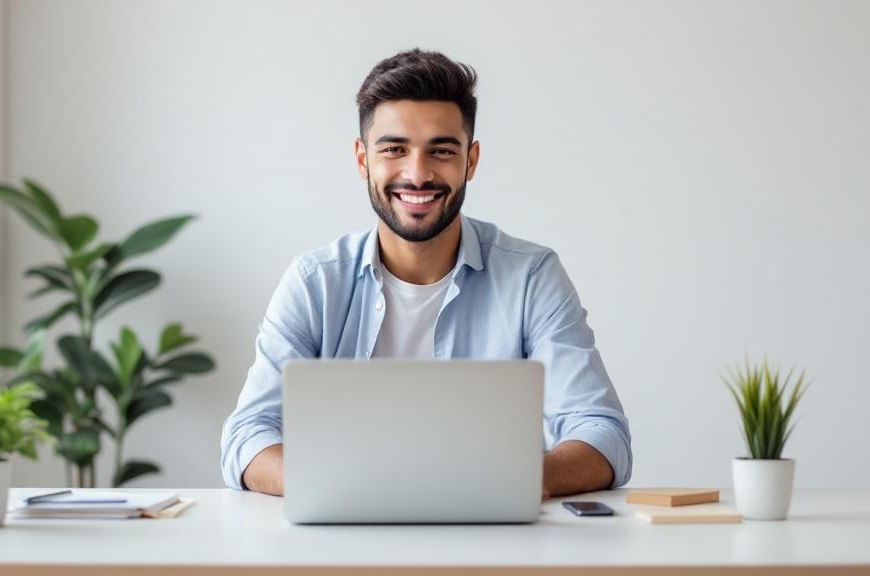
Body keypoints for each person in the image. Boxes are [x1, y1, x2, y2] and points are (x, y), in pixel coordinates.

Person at [220, 48, 631, 498]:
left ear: (470, 161)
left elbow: (603, 434)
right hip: (342, 546)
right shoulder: (315, 281)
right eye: (394, 149)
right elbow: (247, 436)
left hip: (494, 548)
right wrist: (353, 489)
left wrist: (497, 483)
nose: (417, 175)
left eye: (441, 151)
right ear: (363, 160)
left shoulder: (531, 276)